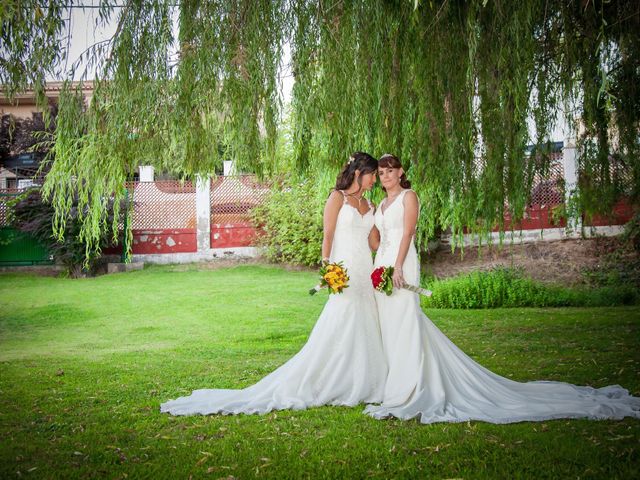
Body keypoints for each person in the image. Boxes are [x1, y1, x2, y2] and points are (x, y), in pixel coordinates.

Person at [364, 153, 640, 424]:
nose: (386, 175)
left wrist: (398, 266)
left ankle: (410, 388)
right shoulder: (381, 203)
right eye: (382, 171)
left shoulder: (408, 197)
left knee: (406, 320)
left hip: (402, 262)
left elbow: (409, 233)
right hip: (382, 264)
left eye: (391, 170)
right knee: (390, 324)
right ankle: (399, 381)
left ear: (401, 172)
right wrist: (366, 233)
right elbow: (378, 240)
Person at [161, 152, 387, 415]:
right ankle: (333, 379)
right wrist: (328, 269)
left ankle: (362, 379)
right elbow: (327, 235)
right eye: (373, 174)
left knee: (365, 322)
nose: (376, 180)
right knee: (343, 321)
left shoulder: (370, 205)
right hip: (342, 270)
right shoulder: (337, 198)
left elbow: (374, 243)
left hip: (363, 270)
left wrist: (389, 225)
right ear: (359, 173)